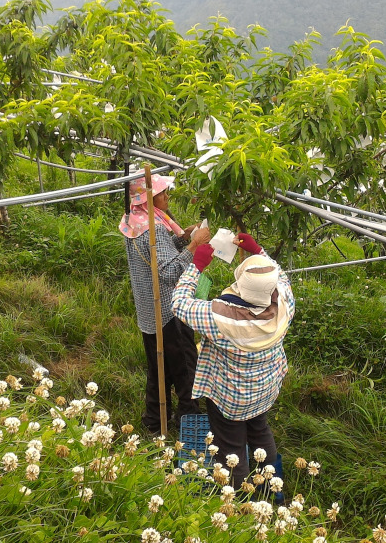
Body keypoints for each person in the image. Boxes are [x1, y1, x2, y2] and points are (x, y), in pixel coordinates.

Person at [171, 233, 294, 491]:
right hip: (264, 388)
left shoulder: (223, 319)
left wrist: (196, 267)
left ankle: (238, 502)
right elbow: (279, 276)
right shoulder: (284, 302)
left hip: (231, 398)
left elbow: (180, 304)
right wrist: (258, 251)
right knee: (260, 431)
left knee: (231, 448)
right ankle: (272, 490)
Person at [121, 174, 211, 436]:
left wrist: (183, 237)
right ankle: (189, 422)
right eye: (163, 193)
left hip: (149, 310)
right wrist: (195, 245)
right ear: (149, 198)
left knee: (158, 366)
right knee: (185, 366)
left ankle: (154, 420)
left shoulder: (135, 221)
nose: (167, 197)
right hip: (169, 310)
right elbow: (169, 272)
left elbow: (158, 252)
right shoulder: (154, 227)